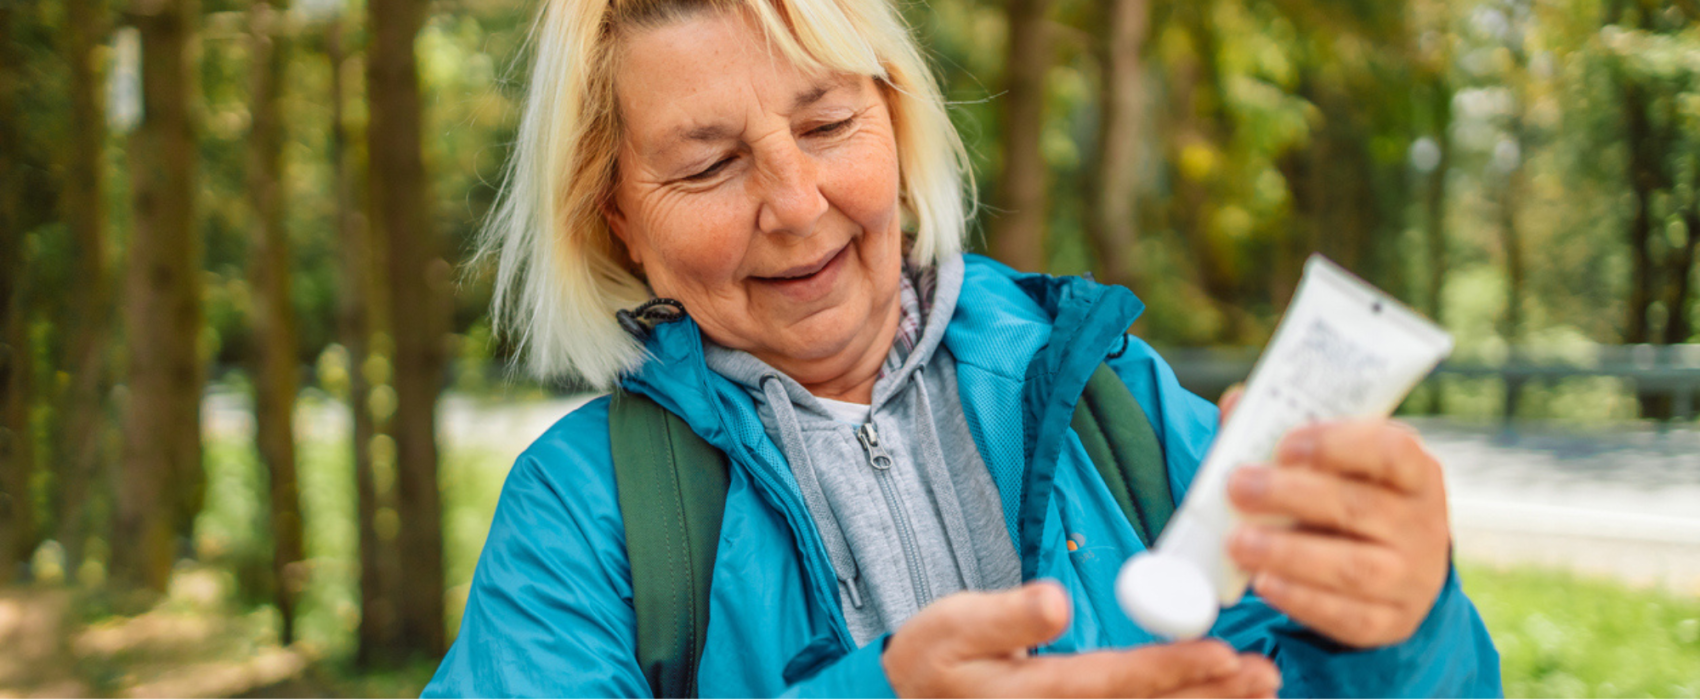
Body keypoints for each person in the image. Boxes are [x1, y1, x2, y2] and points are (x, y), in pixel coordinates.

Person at [423, 0, 1501, 696]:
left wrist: (1404, 630)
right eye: (707, 168)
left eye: (828, 124)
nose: (795, 206)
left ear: (895, 127)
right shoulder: (584, 511)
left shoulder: (1108, 394)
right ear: (621, 224)